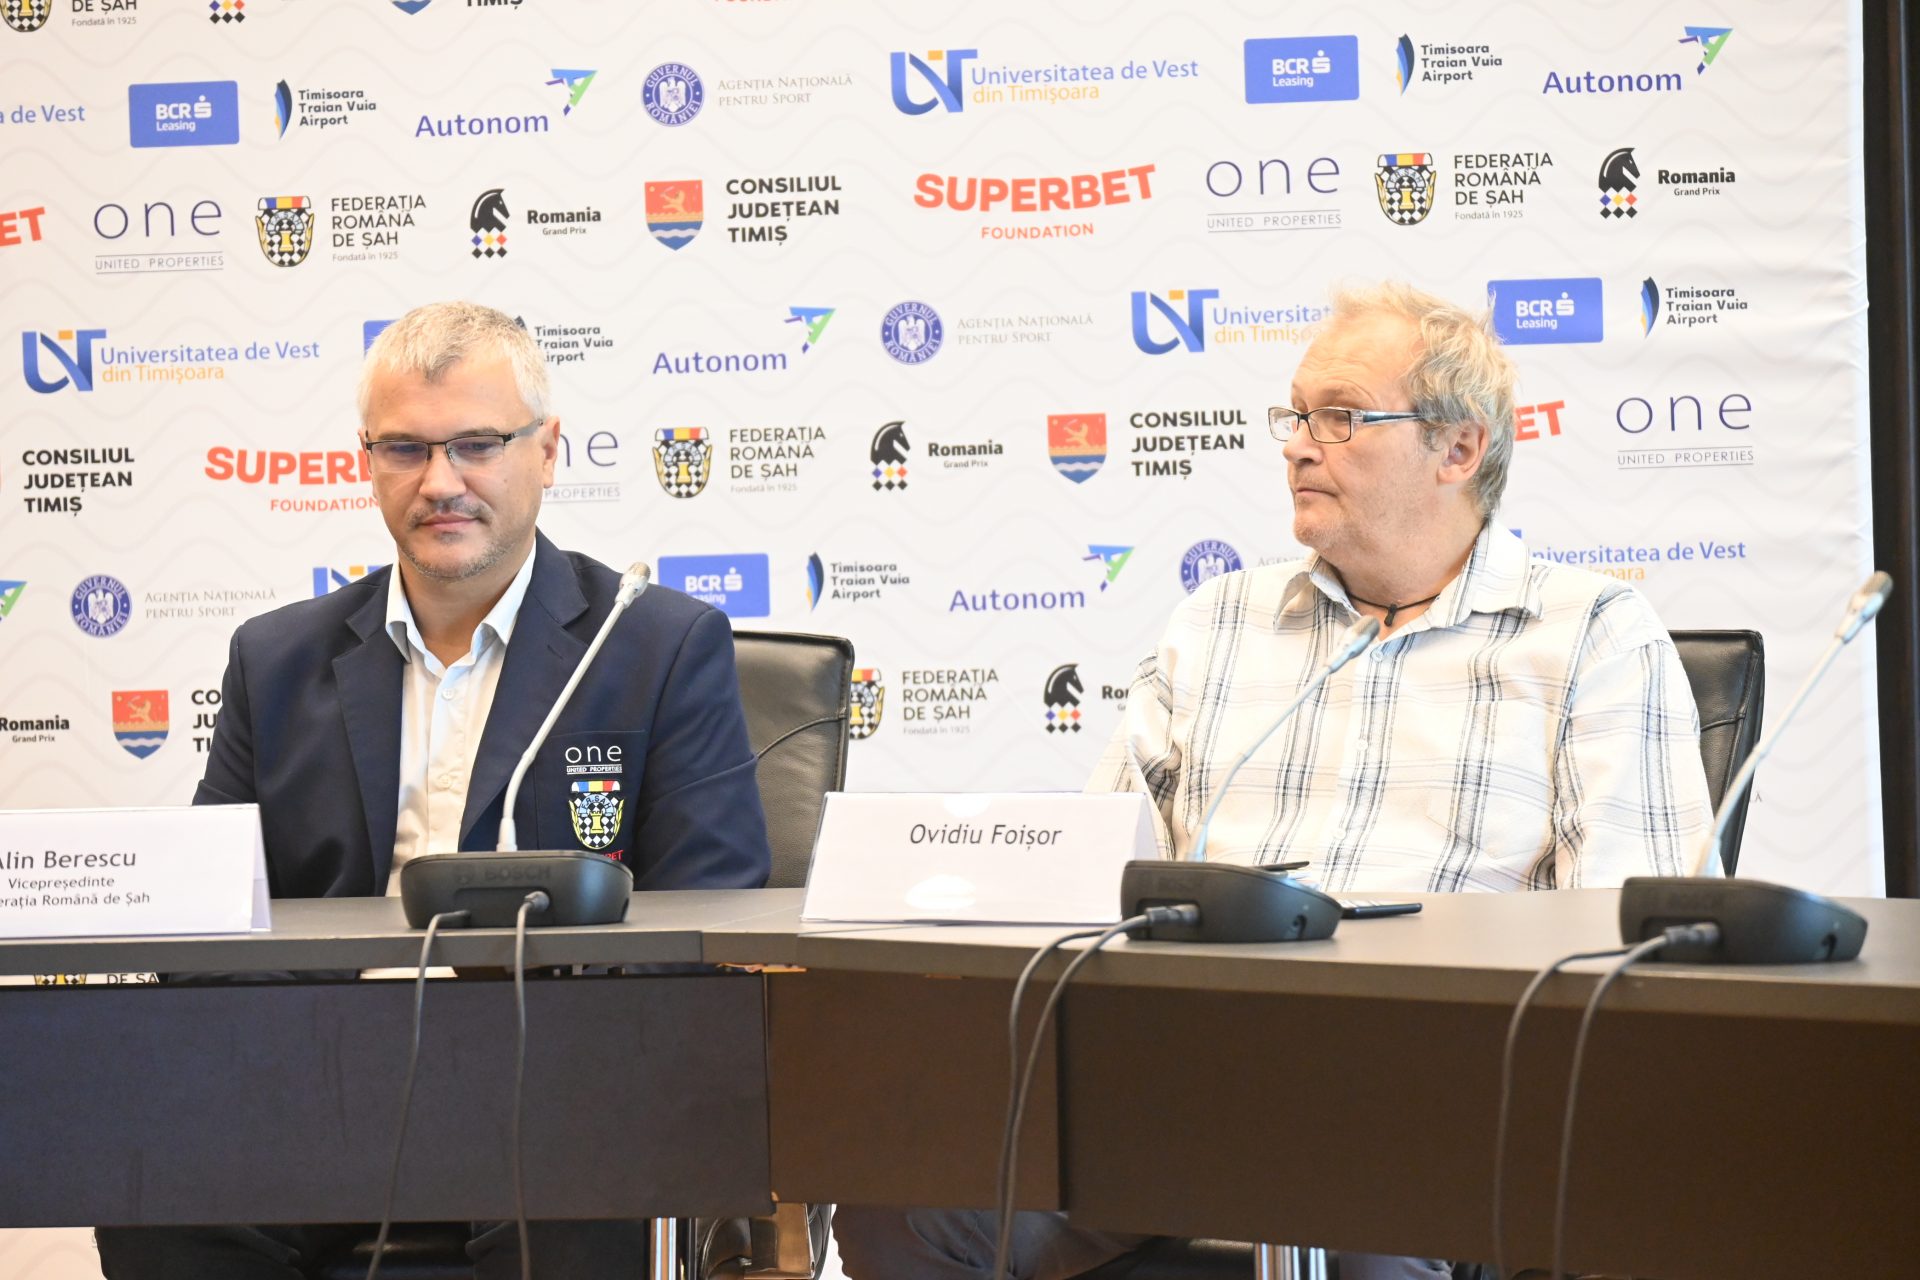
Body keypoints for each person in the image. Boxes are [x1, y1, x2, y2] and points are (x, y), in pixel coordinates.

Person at [832, 282, 1712, 1279]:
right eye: (1294, 416)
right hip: (1178, 1083)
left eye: (1340, 417)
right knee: (904, 1203)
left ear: (1459, 448)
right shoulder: (1219, 622)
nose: (1297, 445)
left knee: (1346, 1220)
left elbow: (1629, 948)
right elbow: (1099, 879)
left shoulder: (1592, 635)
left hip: (1441, 1101)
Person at [96, 300, 772, 1280]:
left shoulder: (655, 645)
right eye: (406, 449)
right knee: (154, 1194)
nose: (441, 481)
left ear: (548, 451)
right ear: (367, 460)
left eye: (477, 445)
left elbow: (716, 914)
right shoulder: (275, 660)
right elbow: (208, 932)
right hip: (319, 1085)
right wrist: (340, 1036)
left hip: (560, 1091)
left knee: (577, 1215)